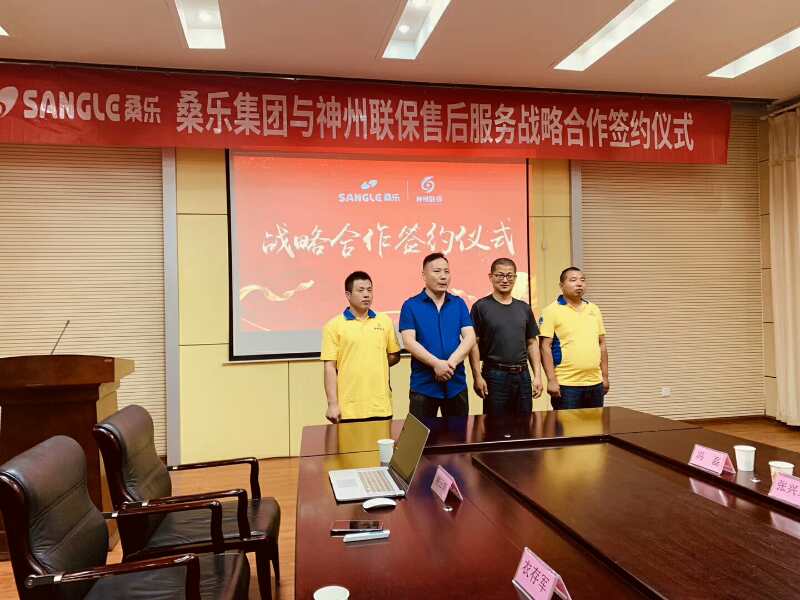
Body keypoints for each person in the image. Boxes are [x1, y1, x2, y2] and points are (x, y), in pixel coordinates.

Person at [399, 253, 476, 418]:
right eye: (437, 271)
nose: (443, 276)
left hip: (456, 384)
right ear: (424, 275)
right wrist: (436, 364)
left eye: (446, 271)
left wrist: (449, 365)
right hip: (423, 386)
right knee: (420, 434)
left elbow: (470, 337)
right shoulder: (411, 305)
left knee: (458, 433)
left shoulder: (458, 303)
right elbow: (408, 342)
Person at [321, 271, 401, 423]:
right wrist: (332, 404)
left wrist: (374, 362)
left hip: (380, 406)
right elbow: (329, 367)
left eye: (369, 290)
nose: (366, 295)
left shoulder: (385, 321)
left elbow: (394, 355)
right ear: (348, 295)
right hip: (349, 409)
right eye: (361, 290)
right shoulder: (333, 326)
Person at [468, 258, 543, 415]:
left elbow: (532, 342)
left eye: (509, 276)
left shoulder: (524, 308)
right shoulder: (480, 307)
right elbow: (473, 344)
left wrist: (537, 376)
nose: (505, 280)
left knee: (524, 424)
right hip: (494, 375)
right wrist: (477, 377)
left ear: (515, 278)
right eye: (500, 275)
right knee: (495, 425)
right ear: (491, 277)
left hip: (523, 375)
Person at [539, 267, 609, 410]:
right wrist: (551, 380)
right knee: (567, 425)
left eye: (582, 280)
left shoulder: (594, 309)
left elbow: (602, 344)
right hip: (567, 385)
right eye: (573, 280)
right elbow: (545, 347)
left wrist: (605, 376)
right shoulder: (551, 311)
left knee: (595, 424)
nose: (579, 284)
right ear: (561, 285)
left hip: (595, 383)